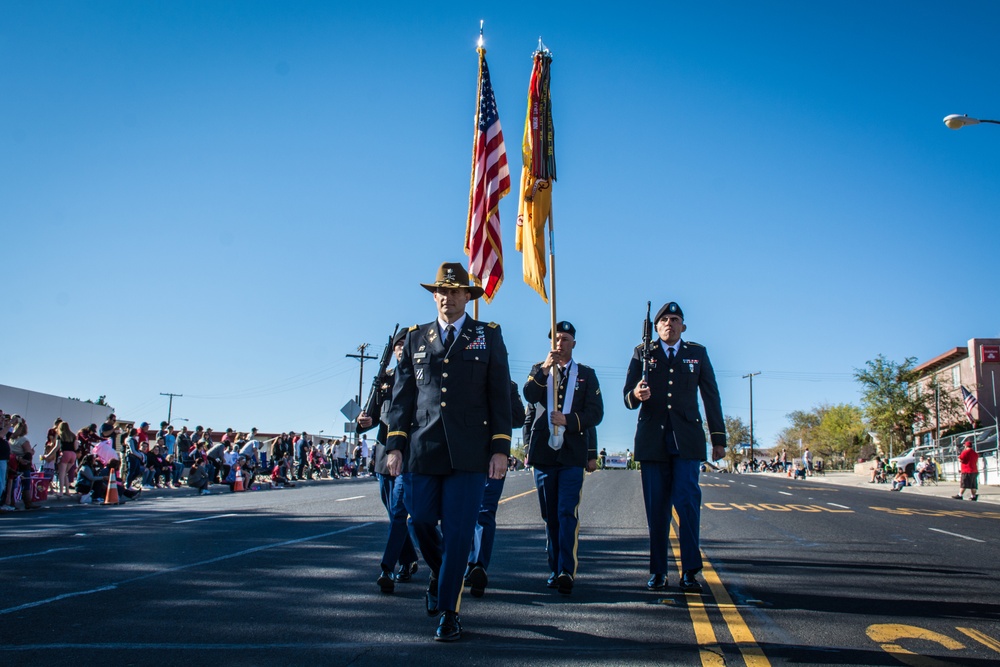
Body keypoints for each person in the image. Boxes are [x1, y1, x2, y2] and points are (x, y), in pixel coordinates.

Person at [385, 261, 512, 642]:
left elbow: (499, 396)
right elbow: (402, 396)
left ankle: (449, 610)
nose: (447, 297)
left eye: (456, 291)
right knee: (418, 520)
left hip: (471, 452)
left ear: (468, 297)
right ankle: (442, 573)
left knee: (458, 533)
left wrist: (500, 449)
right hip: (424, 449)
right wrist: (395, 444)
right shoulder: (414, 338)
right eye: (442, 291)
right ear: (434, 295)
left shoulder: (486, 335)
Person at [624, 301, 726, 594]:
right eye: (664, 319)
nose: (670, 323)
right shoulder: (643, 353)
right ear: (655, 327)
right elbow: (626, 397)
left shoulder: (697, 353)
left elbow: (711, 396)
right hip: (652, 441)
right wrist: (636, 394)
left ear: (683, 326)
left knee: (687, 504)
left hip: (687, 440)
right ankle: (658, 571)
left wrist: (718, 438)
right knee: (657, 510)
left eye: (675, 319)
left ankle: (690, 571)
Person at [522, 321, 604, 595]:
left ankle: (566, 570)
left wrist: (568, 420)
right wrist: (545, 370)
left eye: (565, 338)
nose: (560, 343)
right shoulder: (539, 370)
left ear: (573, 344)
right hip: (544, 454)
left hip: (571, 454)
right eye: (556, 339)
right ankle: (554, 567)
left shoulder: (586, 375)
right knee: (550, 516)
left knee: (566, 512)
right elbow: (529, 396)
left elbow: (596, 414)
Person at [358, 327, 420, 594]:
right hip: (384, 455)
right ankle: (408, 559)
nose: (401, 348)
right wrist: (363, 422)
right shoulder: (384, 379)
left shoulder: (420, 377)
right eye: (398, 345)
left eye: (406, 344)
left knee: (399, 512)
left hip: (407, 454)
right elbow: (370, 416)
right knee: (392, 511)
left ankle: (389, 567)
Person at [465, 380, 526, 598]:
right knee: (463, 512)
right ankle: (466, 561)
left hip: (494, 456)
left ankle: (478, 565)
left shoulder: (508, 385)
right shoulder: (463, 375)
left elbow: (518, 418)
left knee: (485, 511)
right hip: (463, 456)